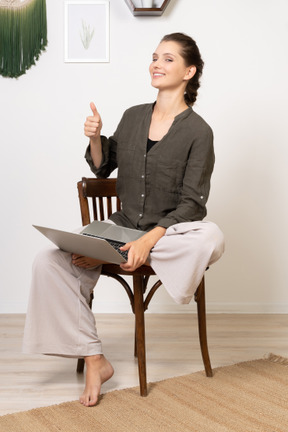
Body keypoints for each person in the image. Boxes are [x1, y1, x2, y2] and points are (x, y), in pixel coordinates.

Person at [23, 33, 224, 408]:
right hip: (121, 226)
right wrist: (97, 137)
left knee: (210, 237)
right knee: (47, 262)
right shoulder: (133, 117)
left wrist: (148, 242)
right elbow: (102, 166)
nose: (156, 64)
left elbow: (193, 204)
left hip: (166, 235)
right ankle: (94, 358)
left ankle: (120, 252)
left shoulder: (199, 132)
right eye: (154, 57)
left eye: (167, 59)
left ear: (189, 71)